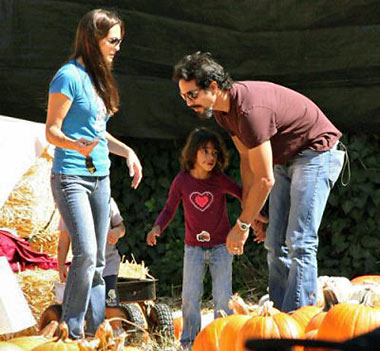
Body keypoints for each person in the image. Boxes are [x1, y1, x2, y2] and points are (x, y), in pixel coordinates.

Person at [172, 51, 345, 313]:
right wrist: (251, 212)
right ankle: (276, 316)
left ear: (214, 86)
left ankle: (299, 320)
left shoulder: (249, 111)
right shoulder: (223, 112)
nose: (188, 103)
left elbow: (265, 179)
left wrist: (241, 226)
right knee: (274, 243)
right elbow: (246, 160)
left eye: (192, 94)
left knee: (299, 241)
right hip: (285, 157)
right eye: (184, 96)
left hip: (315, 154)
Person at [45, 9, 142, 338]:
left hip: (101, 177)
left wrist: (126, 151)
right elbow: (52, 131)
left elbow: (99, 134)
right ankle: (71, 333)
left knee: (99, 259)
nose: (117, 47)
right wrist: (76, 145)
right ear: (93, 39)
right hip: (70, 176)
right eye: (113, 40)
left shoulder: (100, 80)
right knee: (86, 252)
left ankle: (95, 332)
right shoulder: (67, 76)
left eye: (119, 41)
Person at [146, 127, 242, 349]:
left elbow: (242, 195)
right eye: (205, 151)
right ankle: (189, 342)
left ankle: (223, 340)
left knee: (222, 297)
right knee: (190, 297)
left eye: (214, 153)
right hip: (193, 249)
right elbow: (169, 208)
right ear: (193, 154)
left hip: (221, 247)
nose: (210, 157)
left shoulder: (219, 180)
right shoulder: (182, 181)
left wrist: (255, 220)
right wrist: (157, 227)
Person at [57, 197, 126, 308]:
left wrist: (117, 232)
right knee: (83, 306)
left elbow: (121, 227)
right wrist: (61, 265)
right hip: (83, 267)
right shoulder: (70, 205)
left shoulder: (108, 201)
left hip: (108, 264)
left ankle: (116, 325)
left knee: (111, 303)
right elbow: (64, 239)